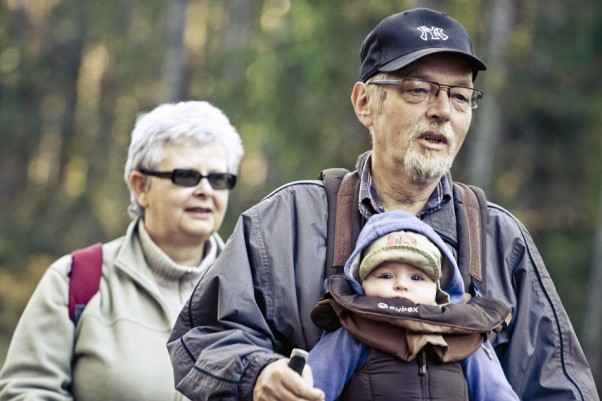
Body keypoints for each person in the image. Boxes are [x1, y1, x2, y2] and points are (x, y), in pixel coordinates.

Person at [167, 8, 599, 401]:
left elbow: (561, 388)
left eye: (460, 96)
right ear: (364, 104)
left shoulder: (501, 240)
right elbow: (201, 336)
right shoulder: (288, 221)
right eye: (418, 90)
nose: (442, 111)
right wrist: (257, 374)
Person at [0, 100, 244, 401]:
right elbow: (26, 392)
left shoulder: (255, 294)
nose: (206, 190)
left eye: (219, 179)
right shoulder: (75, 280)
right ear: (141, 187)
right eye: (186, 176)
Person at [308, 210, 519, 401]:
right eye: (386, 275)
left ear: (438, 288)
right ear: (362, 282)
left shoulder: (462, 334)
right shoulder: (353, 331)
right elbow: (311, 388)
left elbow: (496, 393)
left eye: (417, 278)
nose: (401, 285)